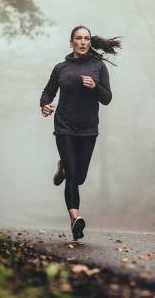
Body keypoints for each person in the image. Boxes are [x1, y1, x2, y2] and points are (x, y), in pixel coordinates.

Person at [40, 26, 120, 240]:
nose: (83, 42)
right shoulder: (61, 68)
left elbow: (107, 98)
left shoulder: (98, 67)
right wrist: (45, 105)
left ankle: (63, 167)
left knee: (80, 176)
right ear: (71, 42)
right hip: (64, 126)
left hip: (88, 128)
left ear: (89, 42)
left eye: (86, 39)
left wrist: (95, 86)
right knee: (73, 176)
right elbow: (48, 91)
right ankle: (75, 219)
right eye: (78, 38)